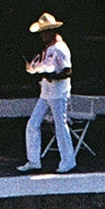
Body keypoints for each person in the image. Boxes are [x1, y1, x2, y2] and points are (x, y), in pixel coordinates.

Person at [23, 13, 76, 173]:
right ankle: (33, 160)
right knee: (32, 124)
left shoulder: (60, 48)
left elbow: (68, 71)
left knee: (60, 126)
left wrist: (51, 76)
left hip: (58, 93)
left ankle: (68, 161)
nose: (42, 35)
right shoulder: (49, 48)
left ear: (52, 31)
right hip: (46, 92)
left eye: (45, 31)